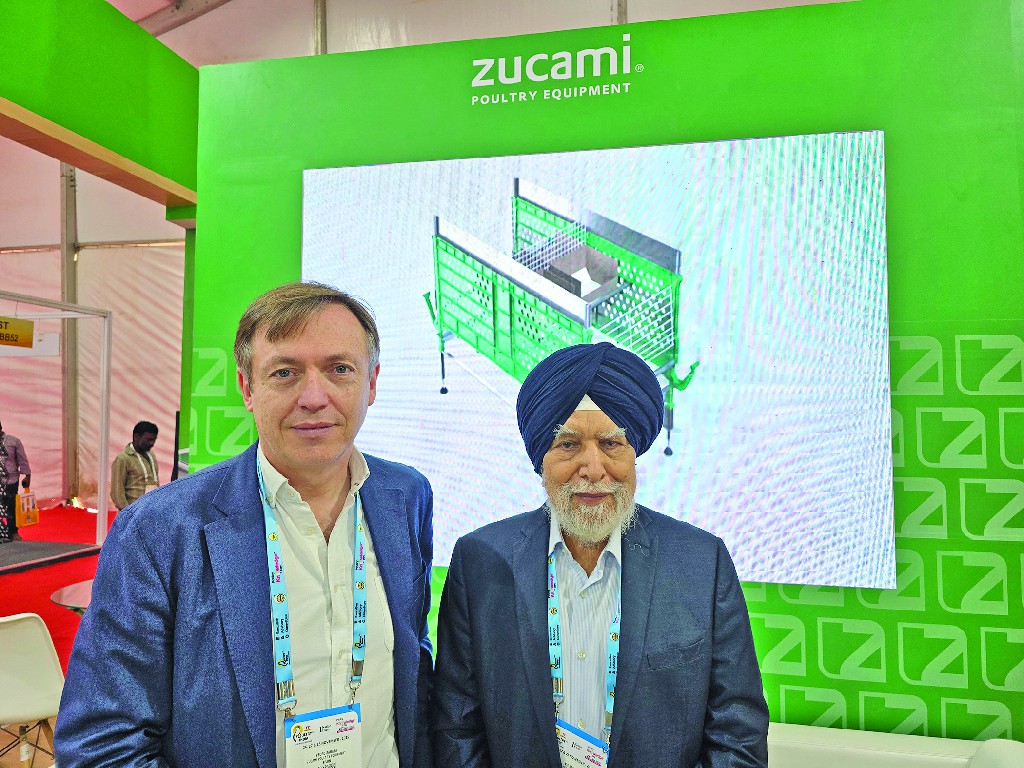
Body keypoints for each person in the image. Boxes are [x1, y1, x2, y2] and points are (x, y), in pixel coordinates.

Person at [56, 282, 434, 768]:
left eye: (340, 369)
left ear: (372, 383)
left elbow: (414, 666)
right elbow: (101, 745)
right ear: (247, 389)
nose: (313, 397)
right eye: (285, 373)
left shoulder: (405, 497)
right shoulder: (159, 530)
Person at [432, 342, 768, 768]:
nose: (592, 469)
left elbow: (737, 735)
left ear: (634, 453)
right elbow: (457, 729)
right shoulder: (479, 562)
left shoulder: (702, 564)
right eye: (568, 444)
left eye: (611, 443)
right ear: (541, 459)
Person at [110, 420, 160, 510]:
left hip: (151, 510)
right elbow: (117, 493)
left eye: (154, 440)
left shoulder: (152, 455)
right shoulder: (123, 458)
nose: (152, 443)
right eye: (148, 439)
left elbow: (156, 482)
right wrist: (128, 513)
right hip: (133, 512)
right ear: (136, 437)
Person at [0, 419, 31, 542]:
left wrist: (27, 476)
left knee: (11, 507)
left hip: (11, 480)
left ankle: (13, 532)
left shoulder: (13, 441)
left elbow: (23, 460)